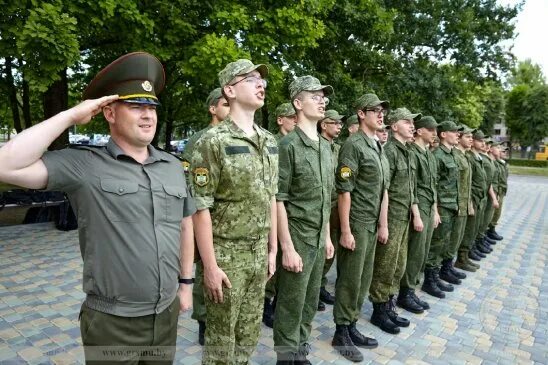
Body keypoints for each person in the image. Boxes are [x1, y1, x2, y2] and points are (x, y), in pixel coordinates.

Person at [0, 52, 196, 364]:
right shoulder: (84, 165)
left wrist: (186, 285)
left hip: (165, 314)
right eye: (135, 106)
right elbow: (4, 164)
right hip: (112, 322)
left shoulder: (172, 166)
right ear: (108, 112)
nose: (148, 115)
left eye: (152, 107)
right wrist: (70, 116)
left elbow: (186, 224)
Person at [190, 59, 279, 364]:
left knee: (249, 334)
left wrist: (272, 250)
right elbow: (200, 208)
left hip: (258, 255)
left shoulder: (269, 142)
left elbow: (271, 196)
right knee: (221, 340)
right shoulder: (212, 142)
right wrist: (210, 267)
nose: (260, 84)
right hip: (226, 256)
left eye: (262, 80)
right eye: (251, 79)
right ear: (229, 89)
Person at [273, 75, 335, 364]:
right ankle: (285, 356)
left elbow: (325, 199)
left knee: (310, 301)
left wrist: (328, 237)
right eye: (315, 96)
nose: (322, 100)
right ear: (298, 103)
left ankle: (299, 349)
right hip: (297, 237)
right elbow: (279, 199)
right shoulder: (289, 146)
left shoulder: (326, 147)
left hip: (318, 239)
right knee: (290, 303)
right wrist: (286, 247)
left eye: (323, 96)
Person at [331, 93, 389, 362]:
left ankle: (351, 325)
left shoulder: (376, 145)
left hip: (370, 224)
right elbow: (344, 191)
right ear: (361, 114)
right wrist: (345, 230)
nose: (380, 115)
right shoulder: (353, 145)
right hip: (355, 222)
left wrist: (382, 223)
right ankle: (341, 332)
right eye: (374, 110)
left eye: (382, 111)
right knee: (350, 279)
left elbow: (382, 189)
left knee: (363, 279)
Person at [183, 87, 230, 346]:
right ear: (212, 109)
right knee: (205, 269)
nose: (230, 109)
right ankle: (202, 319)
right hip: (203, 215)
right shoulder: (199, 140)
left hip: (228, 220)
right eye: (225, 105)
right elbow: (188, 180)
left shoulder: (234, 137)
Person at [369, 107, 421, 334]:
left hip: (403, 218)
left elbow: (410, 189)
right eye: (407, 122)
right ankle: (379, 310)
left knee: (398, 265)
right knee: (385, 266)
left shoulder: (407, 151)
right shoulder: (388, 151)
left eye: (413, 122)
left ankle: (389, 304)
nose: (412, 126)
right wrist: (383, 224)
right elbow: (384, 190)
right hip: (391, 218)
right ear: (394, 126)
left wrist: (415, 213)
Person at [398, 116, 440, 311]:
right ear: (420, 131)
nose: (434, 133)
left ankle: (412, 289)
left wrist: (435, 211)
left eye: (436, 130)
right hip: (418, 207)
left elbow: (433, 186)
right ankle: (405, 292)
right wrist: (416, 214)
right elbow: (412, 186)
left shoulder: (429, 154)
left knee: (422, 252)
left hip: (429, 207)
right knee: (414, 252)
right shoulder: (412, 153)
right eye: (430, 130)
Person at [263, 102, 298, 328]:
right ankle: (266, 302)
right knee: (272, 257)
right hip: (271, 208)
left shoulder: (294, 145)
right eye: (291, 117)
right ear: (280, 120)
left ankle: (275, 301)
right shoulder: (273, 143)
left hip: (288, 210)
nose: (295, 120)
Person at [422, 121, 461, 297]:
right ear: (443, 134)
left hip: (451, 204)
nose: (457, 134)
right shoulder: (437, 155)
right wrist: (436, 210)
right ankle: (429, 281)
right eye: (454, 132)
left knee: (444, 243)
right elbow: (434, 185)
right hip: (442, 206)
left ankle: (436, 275)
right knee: (436, 244)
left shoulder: (451, 154)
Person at [317, 109, 344, 311]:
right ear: (324, 125)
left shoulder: (338, 148)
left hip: (336, 204)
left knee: (331, 249)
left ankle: (320, 285)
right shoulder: (317, 145)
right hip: (321, 204)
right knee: (321, 251)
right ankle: (315, 287)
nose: (339, 127)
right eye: (334, 123)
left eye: (340, 124)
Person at [453, 125, 481, 272]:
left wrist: (469, 202)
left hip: (466, 202)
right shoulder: (456, 156)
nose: (471, 139)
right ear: (459, 138)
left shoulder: (465, 156)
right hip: (456, 205)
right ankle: (455, 262)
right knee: (452, 239)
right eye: (468, 137)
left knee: (465, 233)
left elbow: (467, 184)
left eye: (472, 137)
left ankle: (462, 259)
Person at [461, 130, 489, 263]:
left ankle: (468, 252)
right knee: (468, 229)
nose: (483, 143)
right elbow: (468, 182)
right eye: (480, 140)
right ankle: (462, 257)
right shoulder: (469, 157)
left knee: (474, 228)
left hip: (479, 198)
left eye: (474, 138)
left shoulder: (477, 158)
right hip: (472, 198)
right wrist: (470, 201)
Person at [488, 144, 508, 240]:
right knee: (492, 214)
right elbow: (491, 181)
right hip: (495, 192)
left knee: (496, 213)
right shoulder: (493, 162)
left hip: (500, 191)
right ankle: (489, 231)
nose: (503, 152)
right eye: (501, 150)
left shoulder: (500, 163)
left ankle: (491, 230)